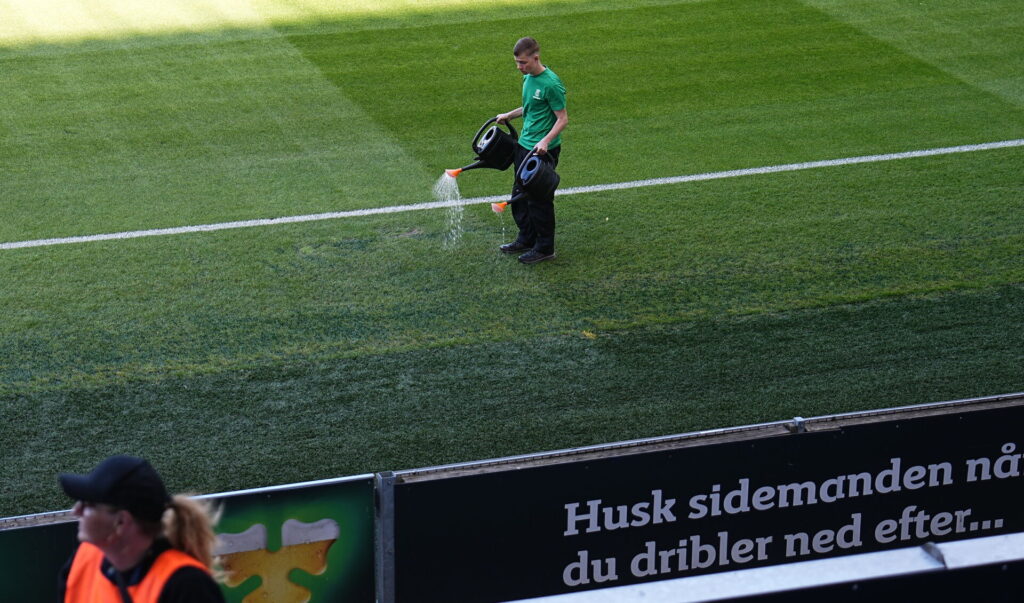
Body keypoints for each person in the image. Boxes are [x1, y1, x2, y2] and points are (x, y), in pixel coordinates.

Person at [57, 455, 225, 603]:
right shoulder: (85, 558)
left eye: (89, 504)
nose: (76, 511)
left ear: (121, 522)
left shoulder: (186, 585)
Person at [496, 36, 569, 265]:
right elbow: (531, 107)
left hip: (542, 151)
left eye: (523, 62)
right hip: (525, 146)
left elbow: (563, 119)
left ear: (536, 58)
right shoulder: (528, 79)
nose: (519, 67)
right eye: (517, 62)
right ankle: (526, 238)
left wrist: (545, 141)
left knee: (539, 200)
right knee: (519, 197)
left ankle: (545, 247)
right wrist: (510, 114)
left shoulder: (551, 84)